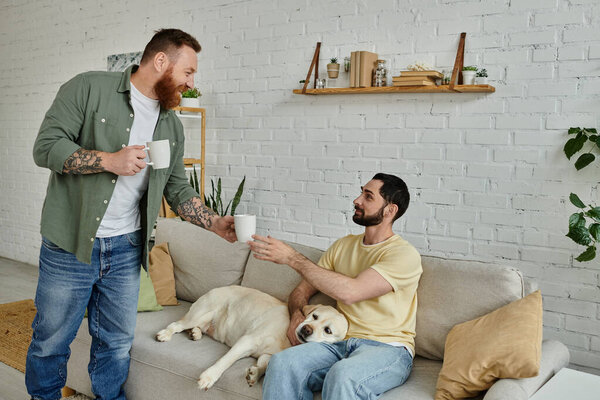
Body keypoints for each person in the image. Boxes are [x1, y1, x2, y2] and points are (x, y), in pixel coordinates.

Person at [27, 29, 236, 400]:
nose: (190, 83)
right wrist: (109, 160)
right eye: (187, 73)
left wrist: (214, 222)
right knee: (51, 339)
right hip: (70, 245)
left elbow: (177, 187)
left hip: (127, 248)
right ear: (160, 62)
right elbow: (46, 148)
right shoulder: (88, 88)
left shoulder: (171, 125)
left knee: (117, 343)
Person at [248, 173, 422, 400]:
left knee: (342, 375)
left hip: (388, 349)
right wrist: (296, 316)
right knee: (282, 362)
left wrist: (292, 258)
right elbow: (301, 291)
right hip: (339, 343)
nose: (357, 200)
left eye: (368, 197)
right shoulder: (342, 246)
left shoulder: (403, 255)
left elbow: (351, 292)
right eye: (361, 192)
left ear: (390, 211)